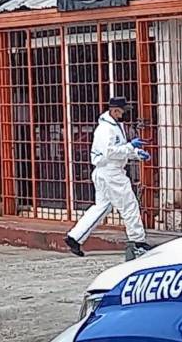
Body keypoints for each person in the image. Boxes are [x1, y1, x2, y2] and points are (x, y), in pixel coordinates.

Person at [64, 97, 153, 261]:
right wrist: (131, 147)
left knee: (102, 207)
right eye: (122, 110)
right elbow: (110, 152)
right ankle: (138, 241)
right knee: (129, 205)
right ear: (114, 110)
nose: (125, 113)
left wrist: (136, 153)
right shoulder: (106, 129)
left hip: (107, 171)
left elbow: (118, 150)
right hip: (111, 173)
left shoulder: (114, 126)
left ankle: (75, 237)